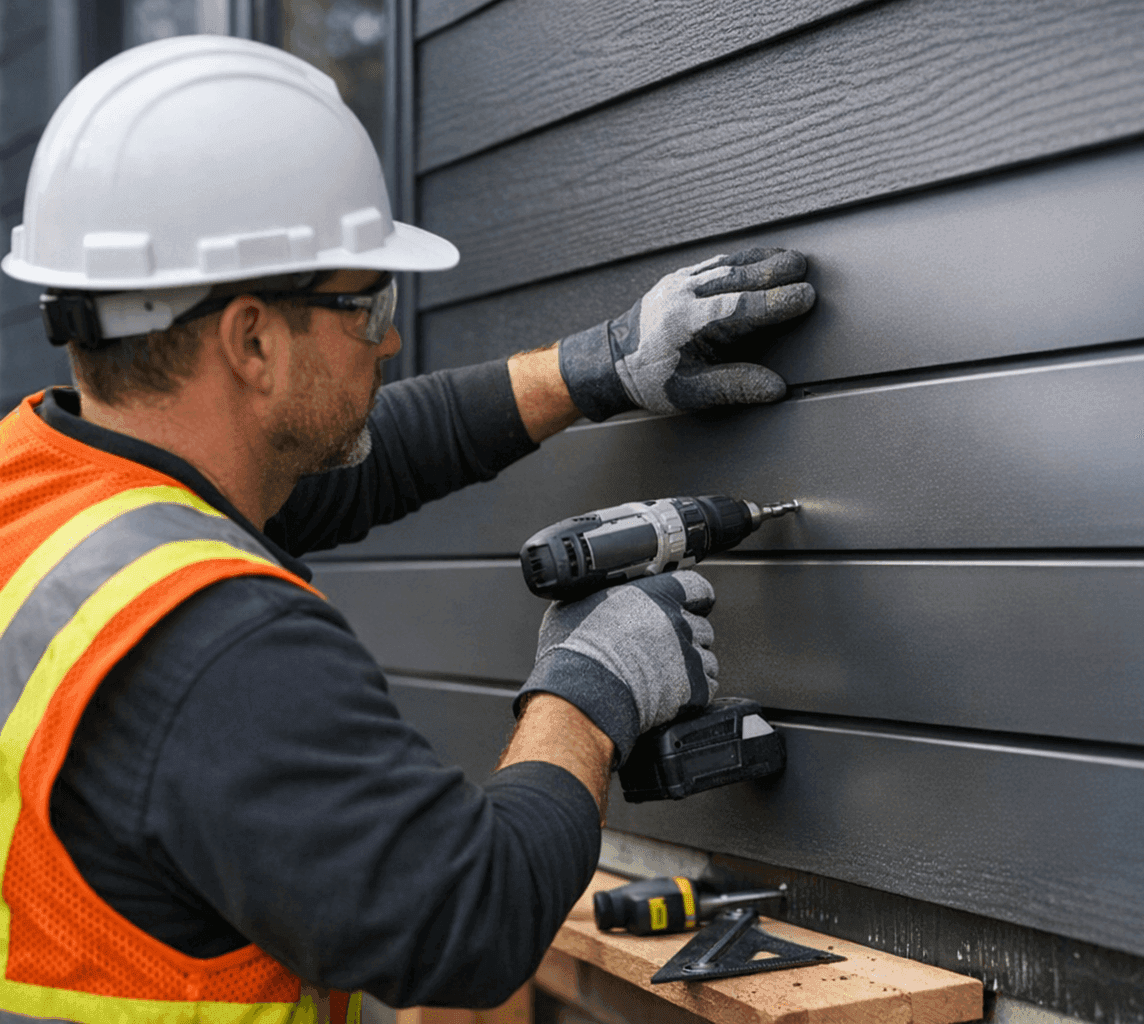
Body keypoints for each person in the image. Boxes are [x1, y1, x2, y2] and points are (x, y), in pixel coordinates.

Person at [0, 35, 814, 1023]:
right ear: (251, 340)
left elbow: (336, 460)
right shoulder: (210, 646)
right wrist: (590, 690)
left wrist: (593, 367)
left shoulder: (44, 489)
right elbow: (463, 922)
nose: (387, 337)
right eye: (365, 303)